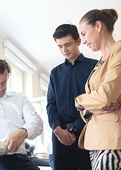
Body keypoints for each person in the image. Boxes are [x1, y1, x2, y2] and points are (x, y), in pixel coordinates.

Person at [46, 24, 97, 170]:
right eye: (60, 46)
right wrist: (57, 129)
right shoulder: (55, 73)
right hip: (59, 137)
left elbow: (95, 102)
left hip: (86, 132)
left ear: (78, 41)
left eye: (67, 45)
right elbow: (51, 104)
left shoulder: (95, 67)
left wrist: (74, 128)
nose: (64, 50)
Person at [75, 9, 121, 170]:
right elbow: (96, 102)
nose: (83, 40)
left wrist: (79, 101)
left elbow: (104, 96)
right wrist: (90, 106)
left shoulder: (119, 51)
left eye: (84, 33)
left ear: (98, 26)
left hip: (112, 140)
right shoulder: (101, 61)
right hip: (97, 140)